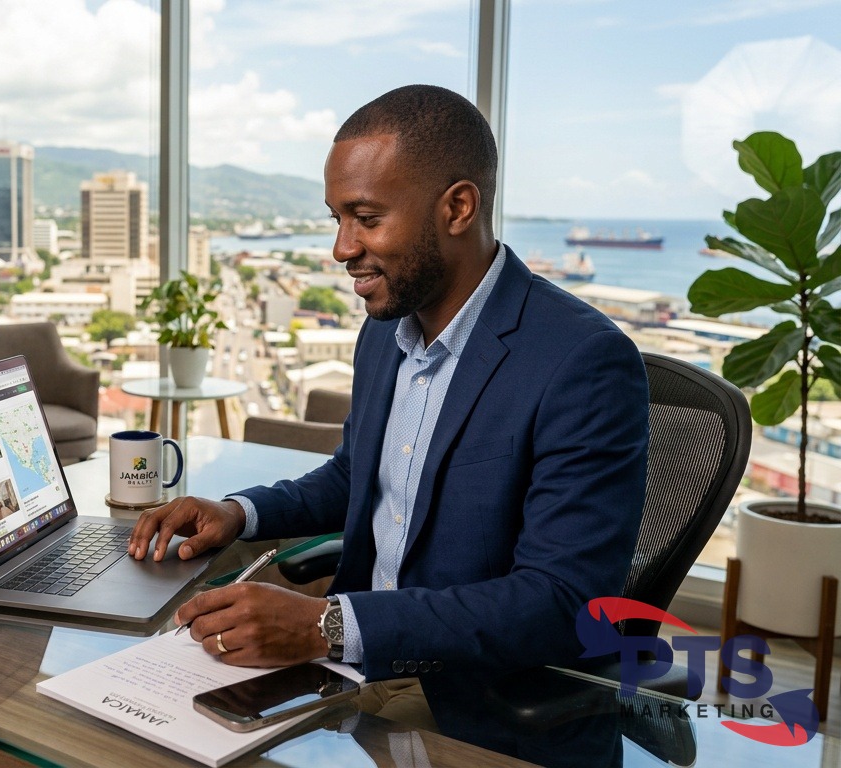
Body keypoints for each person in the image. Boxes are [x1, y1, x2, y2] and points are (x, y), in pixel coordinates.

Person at [128, 85, 648, 712]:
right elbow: (357, 475)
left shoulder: (582, 361)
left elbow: (562, 604)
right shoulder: (386, 330)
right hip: (352, 677)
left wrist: (327, 625)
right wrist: (240, 512)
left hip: (482, 700)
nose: (342, 248)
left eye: (367, 219)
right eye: (337, 220)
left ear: (457, 208)